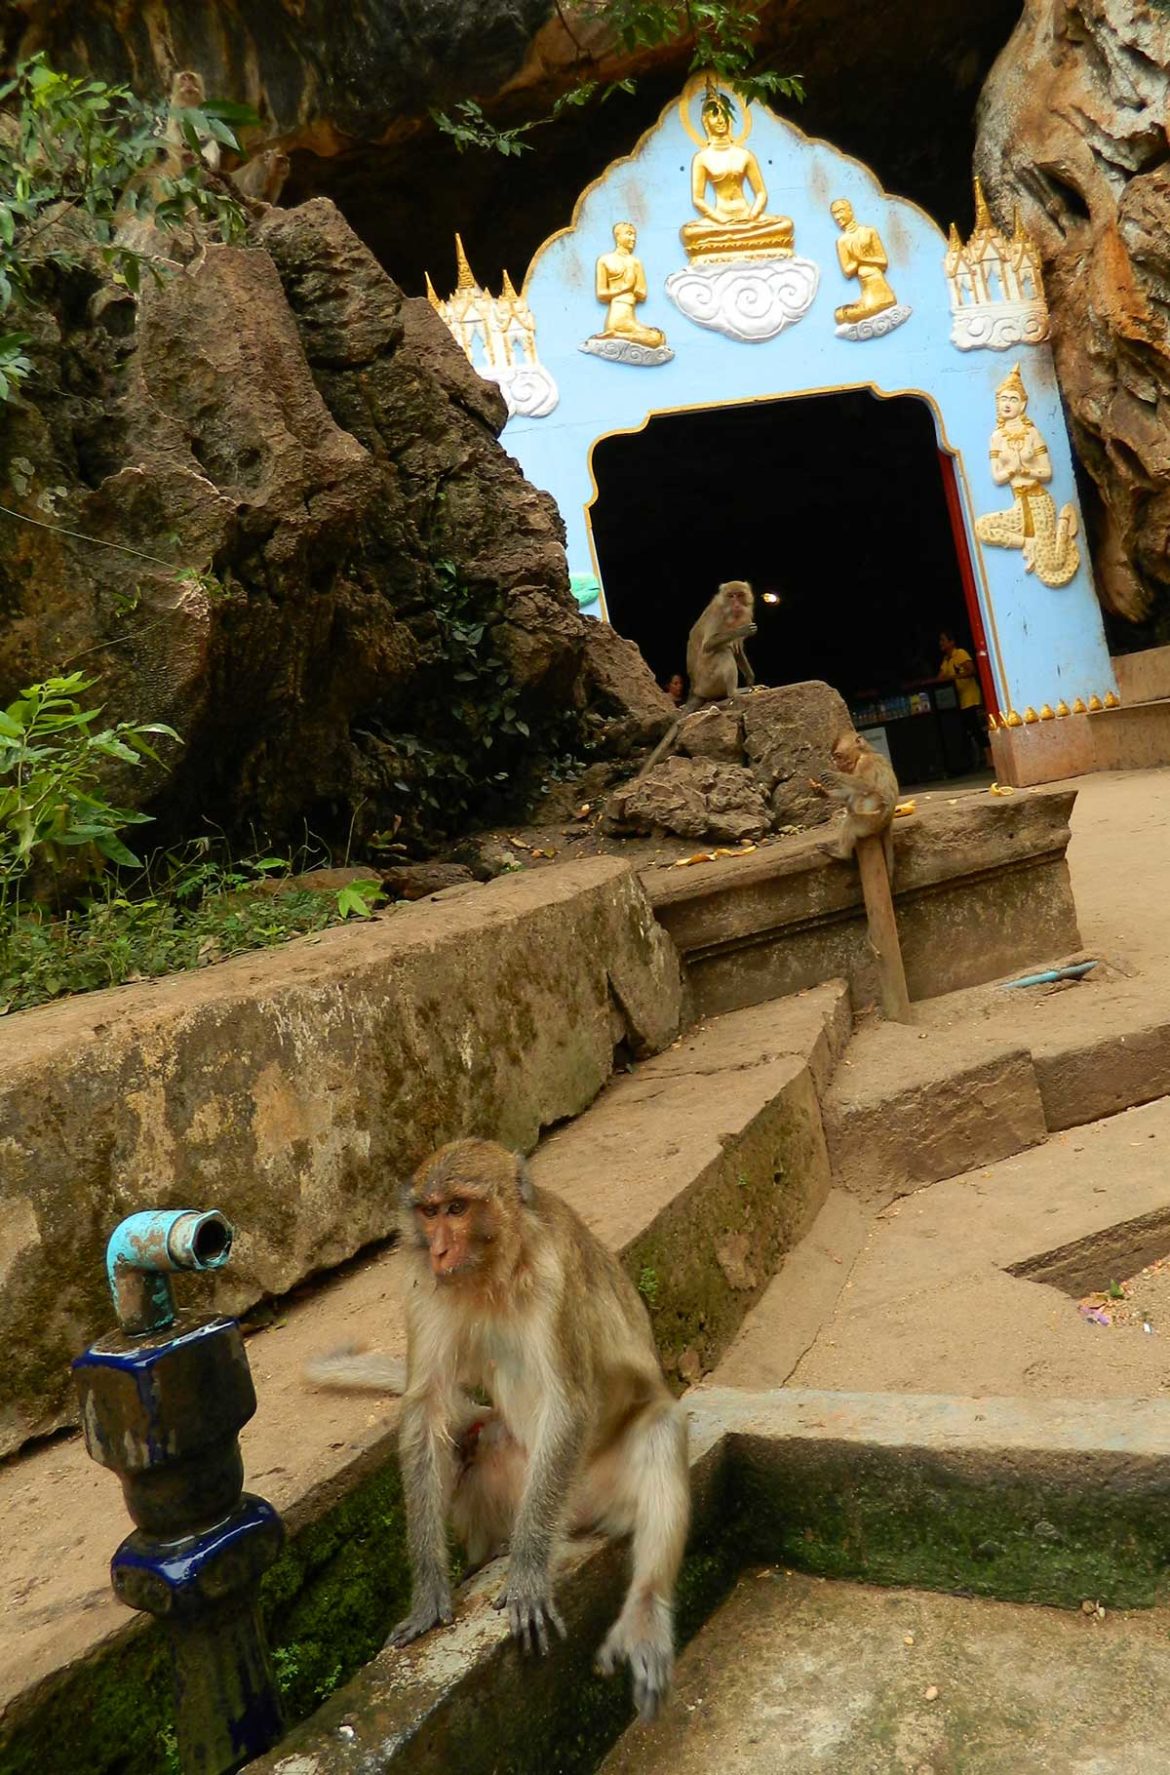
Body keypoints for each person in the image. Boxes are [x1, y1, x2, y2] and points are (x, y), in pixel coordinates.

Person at [938, 630, 989, 768]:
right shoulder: (946, 660)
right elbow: (941, 677)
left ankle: (990, 757)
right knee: (968, 728)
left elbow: (971, 670)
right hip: (959, 700)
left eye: (943, 640)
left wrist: (954, 677)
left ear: (951, 642)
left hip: (970, 697)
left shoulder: (960, 653)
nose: (941, 643)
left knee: (976, 727)